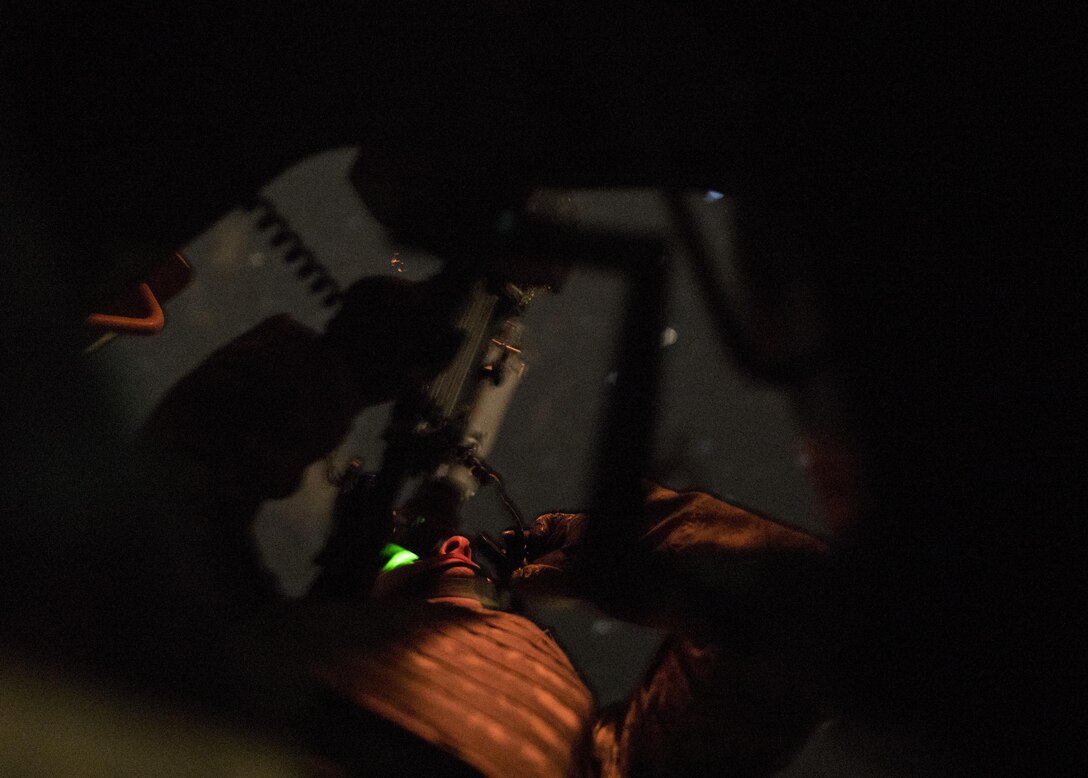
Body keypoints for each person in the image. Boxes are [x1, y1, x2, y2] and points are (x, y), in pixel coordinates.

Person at [119, 272, 831, 777]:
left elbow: (173, 494)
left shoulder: (230, 665)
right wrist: (623, 545)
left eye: (476, 578)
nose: (455, 540)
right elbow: (799, 619)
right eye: (408, 559)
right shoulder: (609, 763)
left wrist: (336, 365)